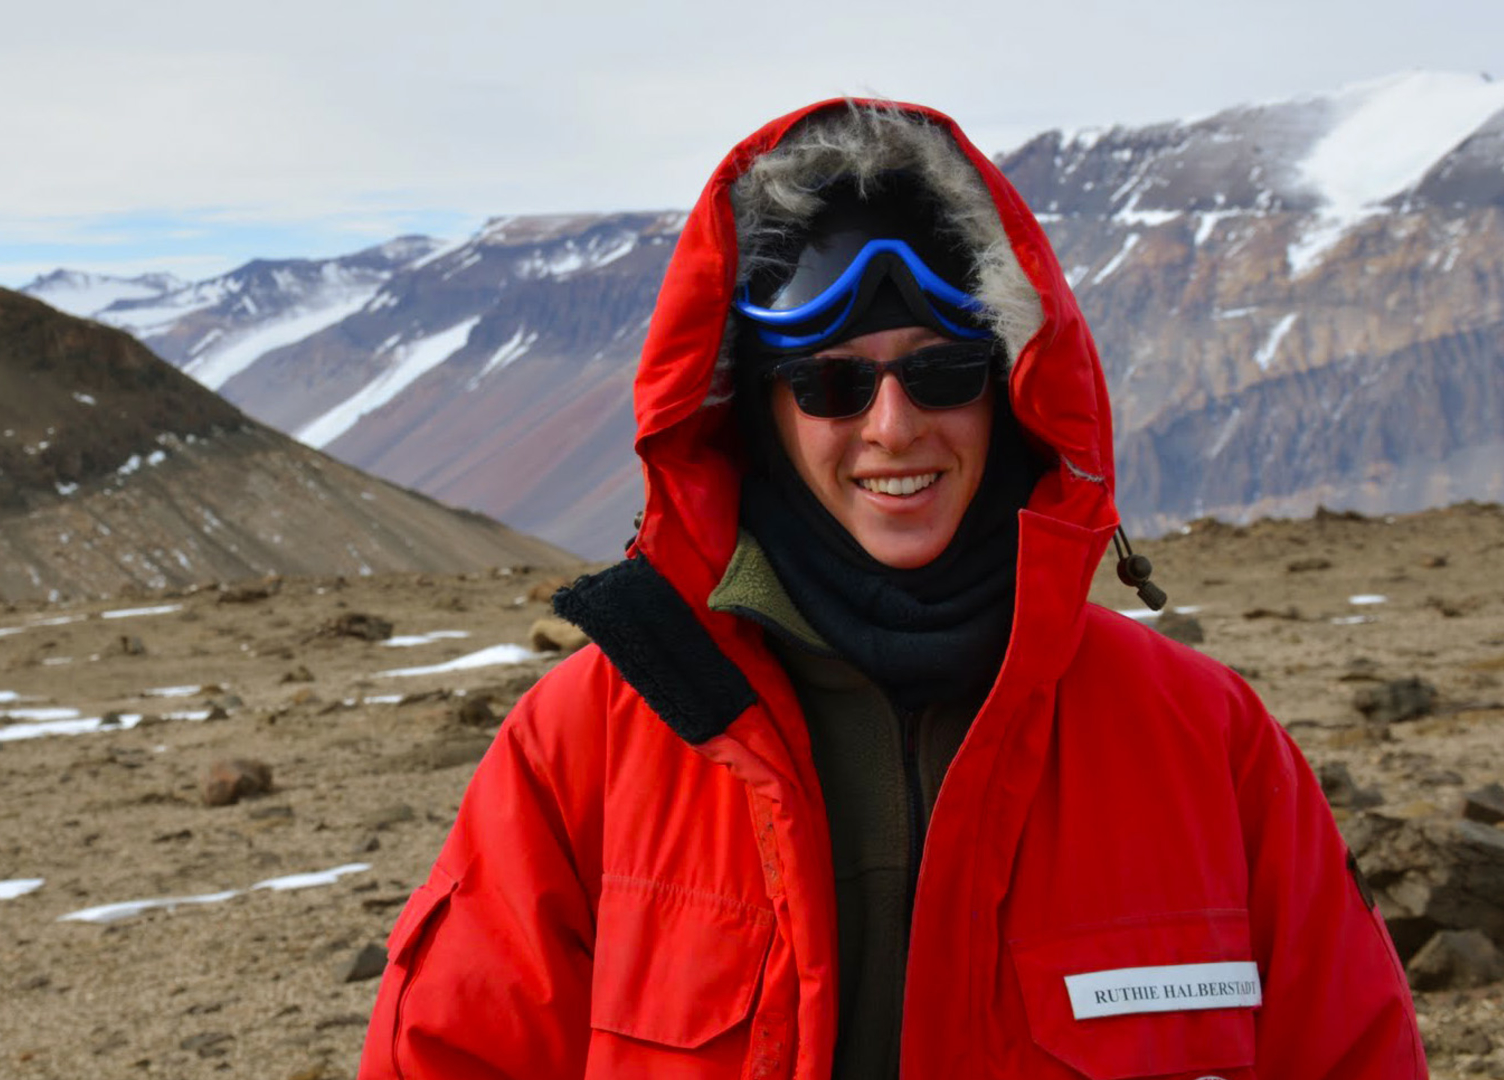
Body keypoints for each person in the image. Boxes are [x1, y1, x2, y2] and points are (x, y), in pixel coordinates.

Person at [359, 99, 1426, 1079]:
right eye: (832, 382)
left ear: (1010, 392)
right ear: (757, 413)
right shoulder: (589, 744)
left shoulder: (1206, 744)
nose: (892, 427)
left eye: (942, 370)